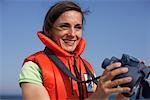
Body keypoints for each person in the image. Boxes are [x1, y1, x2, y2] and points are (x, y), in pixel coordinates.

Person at [19, 1, 132, 100]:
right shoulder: (33, 67)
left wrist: (125, 93)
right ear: (49, 30)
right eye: (64, 26)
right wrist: (97, 97)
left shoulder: (87, 67)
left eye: (78, 27)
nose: (72, 34)